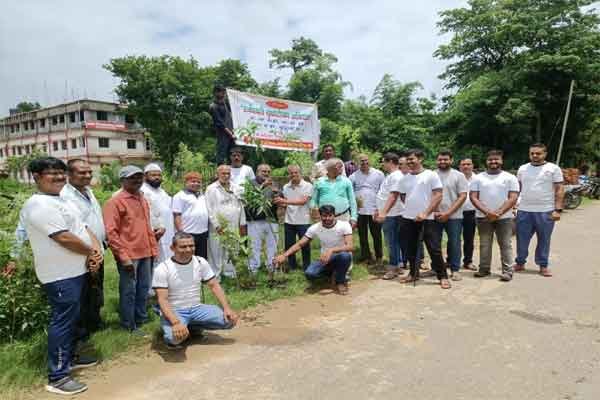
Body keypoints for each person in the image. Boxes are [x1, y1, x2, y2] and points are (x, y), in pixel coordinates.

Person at [21, 157, 102, 395]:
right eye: (51, 173)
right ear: (36, 177)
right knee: (63, 321)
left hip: (76, 270)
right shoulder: (38, 205)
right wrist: (91, 251)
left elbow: (83, 228)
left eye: (60, 173)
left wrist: (94, 251)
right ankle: (57, 376)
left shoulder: (61, 200)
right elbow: (63, 237)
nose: (58, 177)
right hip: (59, 275)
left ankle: (71, 356)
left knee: (74, 318)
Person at [152, 232, 238, 349]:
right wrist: (176, 323)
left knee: (229, 321)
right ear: (172, 248)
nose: (188, 249)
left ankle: (192, 328)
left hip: (196, 308)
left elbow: (214, 285)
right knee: (174, 339)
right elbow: (162, 299)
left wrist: (227, 308)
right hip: (175, 310)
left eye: (191, 246)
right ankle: (173, 329)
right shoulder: (163, 268)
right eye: (183, 246)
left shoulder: (200, 262)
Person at [103, 165, 159, 335]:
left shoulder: (141, 197)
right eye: (132, 177)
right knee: (129, 291)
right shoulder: (115, 202)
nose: (137, 180)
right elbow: (111, 232)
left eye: (139, 177)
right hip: (129, 255)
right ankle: (128, 324)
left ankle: (141, 318)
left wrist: (153, 249)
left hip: (146, 252)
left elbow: (146, 225)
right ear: (122, 180)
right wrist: (123, 257)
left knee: (144, 288)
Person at [61, 159, 107, 335]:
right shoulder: (66, 196)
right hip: (81, 252)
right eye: (82, 173)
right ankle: (81, 331)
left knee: (96, 287)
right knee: (83, 291)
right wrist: (90, 251)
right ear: (69, 175)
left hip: (98, 249)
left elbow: (94, 219)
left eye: (89, 172)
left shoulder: (88, 191)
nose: (87, 175)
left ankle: (94, 322)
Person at [398, 149, 451, 289]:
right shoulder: (405, 178)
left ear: (420, 159)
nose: (409, 162)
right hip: (408, 218)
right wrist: (412, 209)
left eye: (412, 159)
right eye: (407, 159)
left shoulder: (431, 175)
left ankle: (443, 276)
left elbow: (438, 195)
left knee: (434, 249)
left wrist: (425, 212)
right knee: (411, 248)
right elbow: (403, 196)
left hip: (428, 219)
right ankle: (413, 273)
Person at [274, 205, 354, 295]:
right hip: (325, 259)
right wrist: (284, 255)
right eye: (324, 216)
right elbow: (300, 243)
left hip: (340, 257)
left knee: (345, 256)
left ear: (334, 215)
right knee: (310, 273)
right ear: (320, 216)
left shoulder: (344, 225)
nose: (327, 218)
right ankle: (332, 274)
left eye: (330, 215)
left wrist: (331, 250)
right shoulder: (315, 228)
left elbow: (350, 246)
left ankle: (340, 281)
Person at [513, 143, 564, 277]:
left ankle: (543, 265)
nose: (535, 156)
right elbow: (518, 188)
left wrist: (557, 210)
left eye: (538, 153)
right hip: (524, 210)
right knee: (521, 239)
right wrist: (514, 206)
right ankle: (520, 262)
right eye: (532, 153)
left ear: (545, 154)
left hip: (546, 211)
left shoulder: (553, 168)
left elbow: (559, 189)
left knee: (544, 239)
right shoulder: (523, 168)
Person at [470, 150, 520, 281]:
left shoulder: (510, 177)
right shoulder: (478, 178)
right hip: (483, 217)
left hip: (505, 217)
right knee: (484, 244)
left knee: (505, 244)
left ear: (501, 161)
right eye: (490, 159)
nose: (493, 162)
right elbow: (474, 197)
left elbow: (513, 198)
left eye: (496, 159)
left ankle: (508, 271)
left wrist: (498, 213)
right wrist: (488, 212)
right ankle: (484, 269)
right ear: (486, 161)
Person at [205, 165, 247, 277]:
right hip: (217, 227)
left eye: (228, 173)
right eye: (223, 173)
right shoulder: (211, 189)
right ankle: (215, 275)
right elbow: (209, 209)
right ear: (217, 174)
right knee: (215, 251)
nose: (226, 175)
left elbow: (241, 206)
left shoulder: (236, 188)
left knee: (232, 249)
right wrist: (217, 225)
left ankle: (230, 273)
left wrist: (242, 223)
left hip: (233, 225)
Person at [434, 150, 469, 281]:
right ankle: (436, 268)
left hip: (454, 216)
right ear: (436, 161)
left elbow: (462, 196)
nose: (442, 162)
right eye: (440, 159)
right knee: (434, 244)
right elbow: (429, 195)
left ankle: (455, 269)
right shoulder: (431, 175)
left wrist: (448, 213)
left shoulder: (459, 176)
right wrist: (436, 211)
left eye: (445, 159)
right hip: (435, 215)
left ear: (451, 160)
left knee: (454, 243)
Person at [275, 165, 313, 270]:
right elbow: (286, 203)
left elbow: (303, 201)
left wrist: (284, 201)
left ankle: (307, 266)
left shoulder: (308, 185)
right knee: (289, 244)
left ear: (300, 173)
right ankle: (292, 266)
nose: (293, 175)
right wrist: (278, 202)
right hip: (289, 220)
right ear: (289, 174)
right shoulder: (286, 187)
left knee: (305, 245)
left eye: (296, 172)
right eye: (291, 173)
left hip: (303, 220)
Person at [245, 164, 280, 277]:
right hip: (254, 221)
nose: (266, 173)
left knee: (273, 245)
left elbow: (281, 199)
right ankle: (253, 269)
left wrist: (277, 193)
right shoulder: (249, 183)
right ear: (257, 172)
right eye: (263, 171)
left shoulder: (274, 183)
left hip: (271, 220)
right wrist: (263, 186)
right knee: (255, 246)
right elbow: (249, 200)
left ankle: (272, 267)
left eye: (268, 171)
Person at [374, 152, 405, 279]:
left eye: (383, 162)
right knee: (394, 241)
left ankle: (393, 267)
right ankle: (398, 264)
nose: (382, 164)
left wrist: (383, 212)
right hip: (390, 213)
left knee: (391, 241)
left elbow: (393, 195)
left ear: (390, 162)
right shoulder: (391, 175)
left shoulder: (396, 176)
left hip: (392, 214)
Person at [349, 153, 384, 265]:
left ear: (369, 161)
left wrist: (381, 208)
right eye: (361, 161)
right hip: (360, 210)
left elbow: (383, 190)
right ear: (357, 163)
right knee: (362, 234)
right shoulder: (353, 176)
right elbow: (350, 193)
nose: (364, 163)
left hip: (375, 208)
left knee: (376, 233)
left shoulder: (379, 174)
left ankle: (379, 256)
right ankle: (366, 256)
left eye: (366, 160)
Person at [140, 163, 173, 265]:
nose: (157, 178)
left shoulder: (162, 191)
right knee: (156, 259)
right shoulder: (142, 191)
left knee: (168, 254)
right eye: (153, 175)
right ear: (145, 176)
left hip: (168, 230)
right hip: (155, 231)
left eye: (159, 175)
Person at [172, 172, 210, 259]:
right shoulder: (179, 196)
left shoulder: (202, 196)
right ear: (186, 182)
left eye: (198, 182)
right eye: (193, 181)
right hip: (188, 234)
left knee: (201, 258)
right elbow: (177, 215)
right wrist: (181, 233)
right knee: (187, 258)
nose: (196, 184)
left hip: (203, 233)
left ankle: (200, 273)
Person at [310, 158, 357, 227]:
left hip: (343, 217)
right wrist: (314, 211)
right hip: (325, 218)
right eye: (339, 167)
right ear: (331, 168)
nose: (342, 168)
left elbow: (352, 200)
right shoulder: (319, 182)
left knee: (344, 237)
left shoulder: (346, 181)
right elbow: (313, 200)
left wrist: (353, 217)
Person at [209, 85, 236, 164]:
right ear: (215, 93)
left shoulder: (225, 104)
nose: (223, 93)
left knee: (232, 155)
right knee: (221, 155)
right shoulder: (213, 107)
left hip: (232, 134)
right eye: (221, 92)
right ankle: (220, 174)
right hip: (223, 134)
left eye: (224, 92)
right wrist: (230, 133)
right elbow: (220, 123)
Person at [459, 158, 477, 271]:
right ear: (459, 166)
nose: (466, 166)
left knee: (469, 238)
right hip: (455, 212)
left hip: (471, 212)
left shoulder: (478, 179)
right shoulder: (455, 177)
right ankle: (450, 260)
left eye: (468, 164)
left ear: (472, 166)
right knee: (454, 238)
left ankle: (468, 261)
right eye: (463, 164)